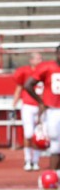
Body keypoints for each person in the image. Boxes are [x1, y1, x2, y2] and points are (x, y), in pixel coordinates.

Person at [25, 45, 60, 180]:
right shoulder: (48, 67)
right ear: (57, 54)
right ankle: (53, 174)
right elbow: (28, 84)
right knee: (56, 144)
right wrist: (40, 101)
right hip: (53, 111)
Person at [12, 52, 43, 171]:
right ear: (31, 60)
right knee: (29, 133)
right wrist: (14, 103)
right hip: (28, 105)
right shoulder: (25, 71)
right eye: (38, 58)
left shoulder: (45, 71)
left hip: (41, 106)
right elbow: (19, 87)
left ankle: (35, 160)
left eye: (41, 58)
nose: (40, 60)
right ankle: (27, 159)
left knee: (39, 135)